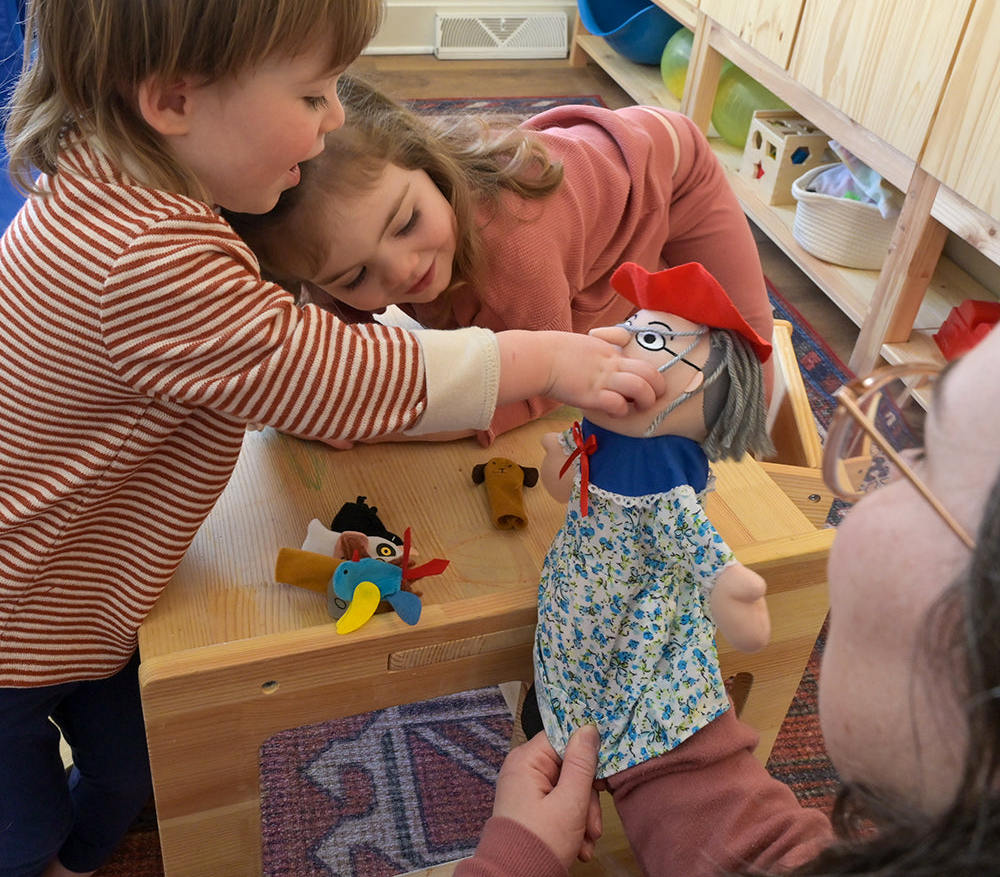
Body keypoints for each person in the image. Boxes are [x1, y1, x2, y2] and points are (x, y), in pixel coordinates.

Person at [0, 0, 664, 877]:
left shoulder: (128, 179)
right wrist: (546, 358)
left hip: (90, 597)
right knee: (22, 829)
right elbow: (332, 375)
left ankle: (89, 848)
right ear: (175, 97)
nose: (330, 121)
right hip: (19, 622)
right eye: (311, 94)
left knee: (136, 763)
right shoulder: (140, 253)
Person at [455, 322, 1000, 877]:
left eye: (929, 463)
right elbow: (765, 858)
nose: (860, 509)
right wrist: (668, 752)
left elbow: (688, 531)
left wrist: (511, 865)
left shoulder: (667, 476)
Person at [224, 73, 775, 444]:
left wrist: (386, 425)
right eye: (356, 276)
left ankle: (769, 474)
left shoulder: (515, 246)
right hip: (577, 189)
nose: (401, 270)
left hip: (673, 173)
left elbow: (541, 384)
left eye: (407, 223)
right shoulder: (348, 241)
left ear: (429, 168)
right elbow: (327, 351)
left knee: (745, 351)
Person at [531, 262, 774, 780]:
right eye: (635, 325)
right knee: (562, 656)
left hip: (631, 603)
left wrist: (728, 583)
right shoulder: (599, 431)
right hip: (574, 576)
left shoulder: (660, 469)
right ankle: (563, 731)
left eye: (651, 337)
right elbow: (566, 481)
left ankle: (607, 759)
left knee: (623, 684)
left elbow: (689, 532)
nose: (613, 341)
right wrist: (561, 456)